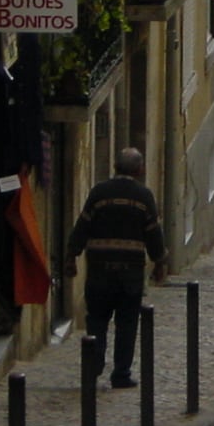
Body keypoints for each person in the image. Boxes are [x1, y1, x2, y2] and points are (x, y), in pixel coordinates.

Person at [66, 148, 167, 389]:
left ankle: (93, 366)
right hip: (130, 272)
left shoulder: (99, 193)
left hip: (99, 269)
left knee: (97, 320)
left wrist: (71, 256)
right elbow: (153, 233)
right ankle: (121, 374)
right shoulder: (144, 196)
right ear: (140, 169)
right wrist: (159, 262)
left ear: (115, 167)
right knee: (127, 323)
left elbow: (82, 225)